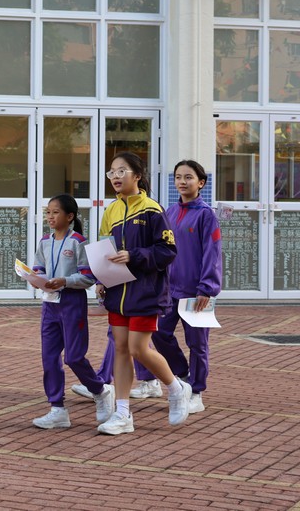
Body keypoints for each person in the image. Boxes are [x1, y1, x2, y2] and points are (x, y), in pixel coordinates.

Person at [95, 151, 189, 435]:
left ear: (137, 175)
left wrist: (133, 256)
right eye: (112, 172)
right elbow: (104, 249)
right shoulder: (110, 211)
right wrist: (100, 277)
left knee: (138, 349)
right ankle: (123, 413)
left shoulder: (152, 209)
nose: (115, 177)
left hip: (146, 292)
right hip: (117, 292)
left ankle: (176, 387)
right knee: (121, 349)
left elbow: (167, 250)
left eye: (121, 171)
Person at [121, 160, 222, 414]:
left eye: (188, 177)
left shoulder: (206, 215)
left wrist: (207, 288)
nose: (182, 182)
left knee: (197, 344)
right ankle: (184, 375)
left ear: (201, 183)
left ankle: (196, 392)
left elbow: (212, 253)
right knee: (159, 334)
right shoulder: (170, 213)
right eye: (178, 177)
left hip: (197, 292)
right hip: (169, 290)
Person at [31, 194, 115, 429]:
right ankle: (57, 408)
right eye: (48, 212)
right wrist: (36, 278)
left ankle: (100, 390)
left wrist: (65, 281)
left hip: (72, 303)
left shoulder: (78, 242)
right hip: (50, 305)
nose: (50, 217)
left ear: (70, 216)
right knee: (49, 357)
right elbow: (38, 267)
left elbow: (88, 277)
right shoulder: (44, 241)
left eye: (55, 212)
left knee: (74, 357)